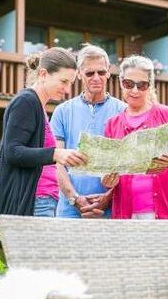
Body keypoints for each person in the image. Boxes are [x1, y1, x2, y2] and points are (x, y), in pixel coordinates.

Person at [0, 47, 87, 217]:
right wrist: (55, 154)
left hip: (44, 200)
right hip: (34, 201)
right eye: (63, 81)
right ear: (43, 74)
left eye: (70, 84)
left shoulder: (38, 105)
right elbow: (12, 152)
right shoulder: (26, 101)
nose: (67, 90)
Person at [102, 55, 168, 219]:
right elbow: (108, 169)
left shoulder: (167, 115)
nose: (134, 90)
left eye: (141, 85)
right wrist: (108, 181)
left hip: (163, 211)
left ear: (150, 86)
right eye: (128, 84)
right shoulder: (112, 124)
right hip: (125, 212)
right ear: (121, 83)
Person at [50, 44, 126, 218]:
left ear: (108, 71)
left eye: (101, 72)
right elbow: (56, 162)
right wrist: (74, 199)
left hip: (111, 209)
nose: (96, 78)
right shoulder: (62, 111)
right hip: (69, 210)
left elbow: (129, 165)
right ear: (79, 74)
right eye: (89, 73)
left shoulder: (124, 112)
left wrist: (108, 197)